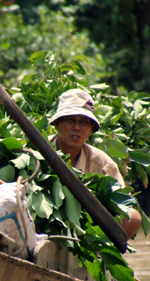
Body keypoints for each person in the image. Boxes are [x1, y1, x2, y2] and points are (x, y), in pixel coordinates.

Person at [49, 88, 142, 240]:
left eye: (84, 123)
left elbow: (123, 207)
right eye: (70, 120)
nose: (77, 127)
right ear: (57, 124)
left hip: (86, 233)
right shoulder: (37, 153)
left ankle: (94, 256)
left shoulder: (104, 166)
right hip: (44, 225)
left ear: (91, 130)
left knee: (133, 217)